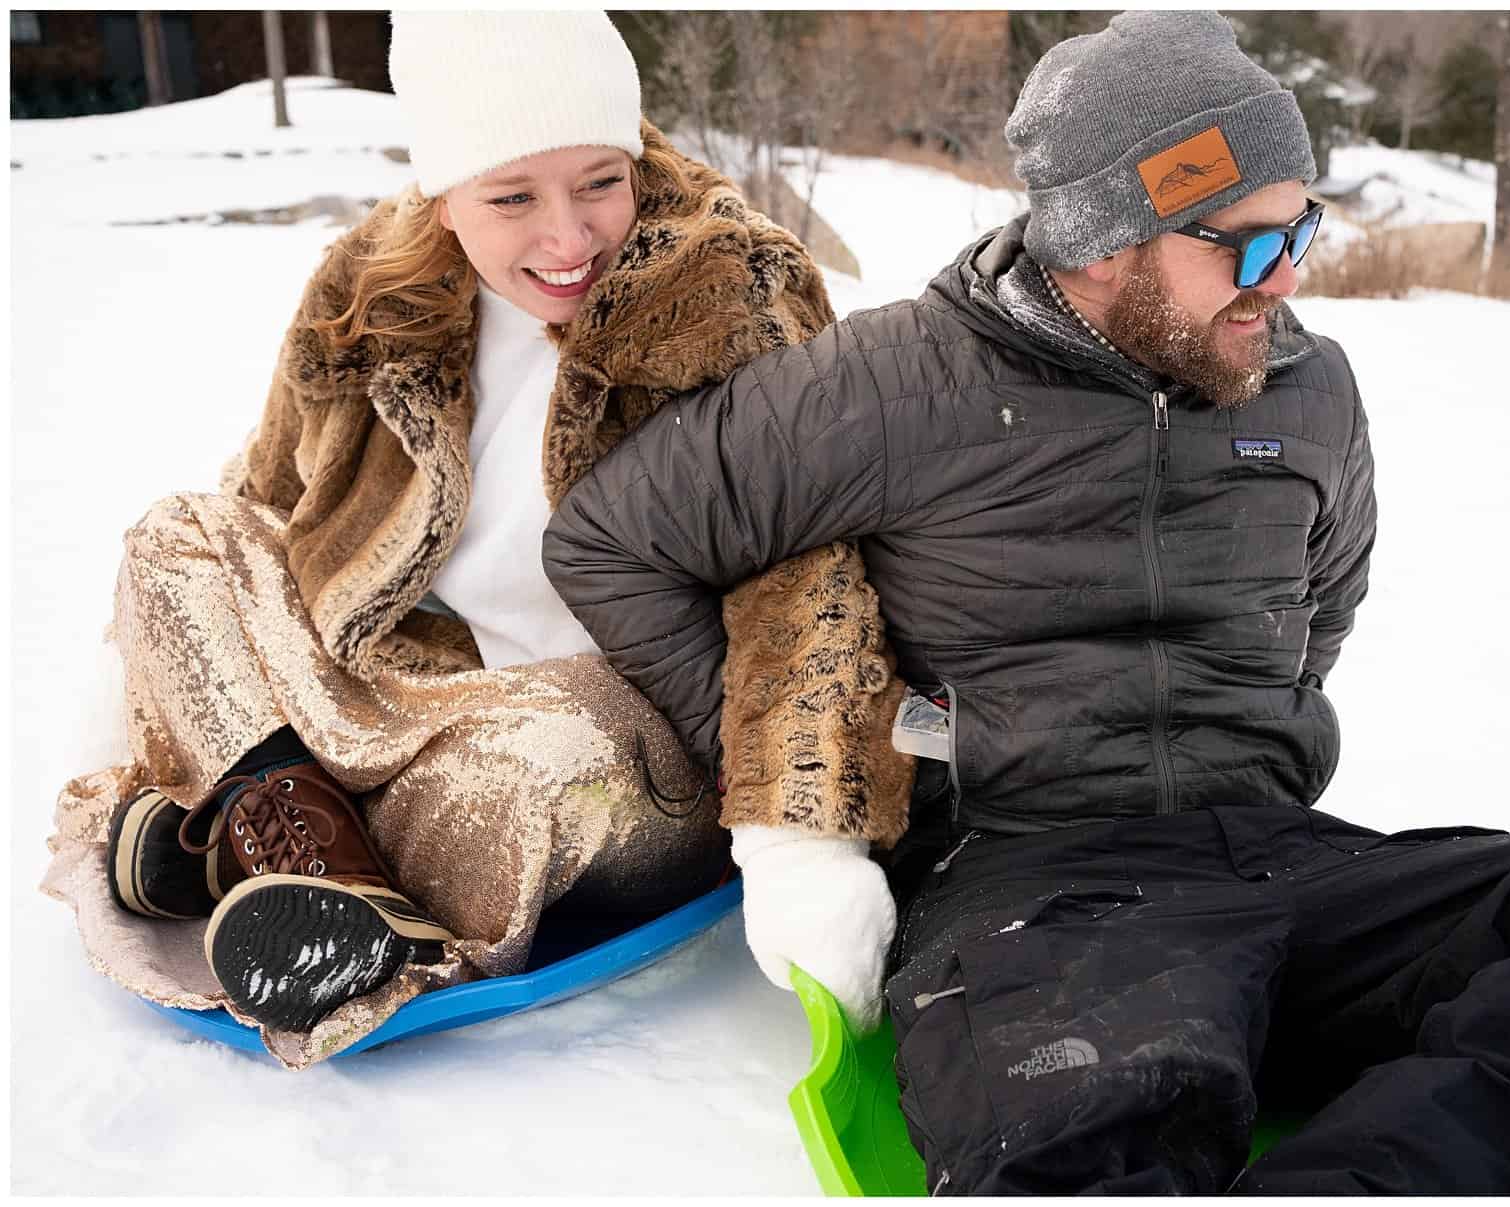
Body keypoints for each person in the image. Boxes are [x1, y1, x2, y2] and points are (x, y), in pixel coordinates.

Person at [542, 10, 1510, 1195]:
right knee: (1097, 1140)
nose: (1282, 277)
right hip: (1042, 889)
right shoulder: (894, 383)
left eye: (1302, 231)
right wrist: (801, 792)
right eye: (1241, 242)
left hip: (1294, 863)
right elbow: (612, 541)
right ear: (1097, 239)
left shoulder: (1309, 387)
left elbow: (1325, 604)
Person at [42, 11, 908, 1061]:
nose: (568, 236)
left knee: (548, 786)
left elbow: (807, 575)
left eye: (600, 180)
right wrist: (205, 642)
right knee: (180, 533)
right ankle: (302, 842)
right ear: (442, 199)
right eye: (512, 197)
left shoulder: (727, 300)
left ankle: (248, 818)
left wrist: (802, 835)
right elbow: (262, 497)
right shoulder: (368, 287)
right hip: (384, 675)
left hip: (603, 719)